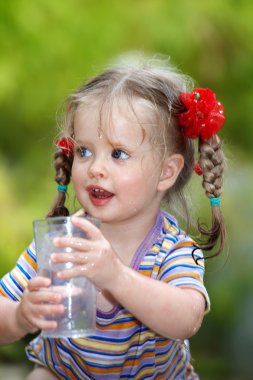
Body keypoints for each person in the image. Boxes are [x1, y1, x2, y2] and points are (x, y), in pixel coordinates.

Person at [0, 56, 226, 379]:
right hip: (68, 373)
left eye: (118, 154)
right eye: (84, 151)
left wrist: (116, 276)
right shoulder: (64, 242)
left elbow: (187, 318)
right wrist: (21, 317)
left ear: (166, 172)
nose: (95, 169)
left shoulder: (173, 250)